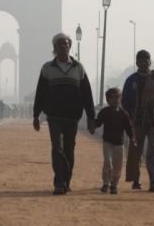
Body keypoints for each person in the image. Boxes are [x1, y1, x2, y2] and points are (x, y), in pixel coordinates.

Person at [33, 33, 96, 195]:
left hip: (72, 116)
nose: (63, 46)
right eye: (60, 44)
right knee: (57, 148)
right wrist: (36, 115)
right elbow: (40, 92)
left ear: (70, 46)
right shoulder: (47, 68)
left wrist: (91, 116)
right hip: (54, 116)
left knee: (69, 150)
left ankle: (66, 181)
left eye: (66, 44)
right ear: (54, 48)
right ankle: (59, 182)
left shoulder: (78, 68)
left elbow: (87, 94)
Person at [122, 49, 154, 192]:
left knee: (153, 149)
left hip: (153, 119)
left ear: (149, 62)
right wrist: (128, 116)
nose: (143, 63)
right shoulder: (131, 80)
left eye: (145, 61)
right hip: (136, 120)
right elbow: (125, 101)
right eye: (140, 61)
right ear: (136, 63)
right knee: (136, 150)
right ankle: (136, 180)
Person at [95, 88, 135, 194]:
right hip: (107, 142)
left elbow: (129, 128)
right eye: (111, 98)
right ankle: (106, 183)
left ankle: (114, 184)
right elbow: (98, 123)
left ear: (120, 99)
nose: (114, 100)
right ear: (107, 100)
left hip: (119, 143)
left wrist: (133, 138)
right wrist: (92, 125)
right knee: (108, 162)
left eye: (116, 98)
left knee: (118, 165)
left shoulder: (123, 114)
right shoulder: (104, 112)